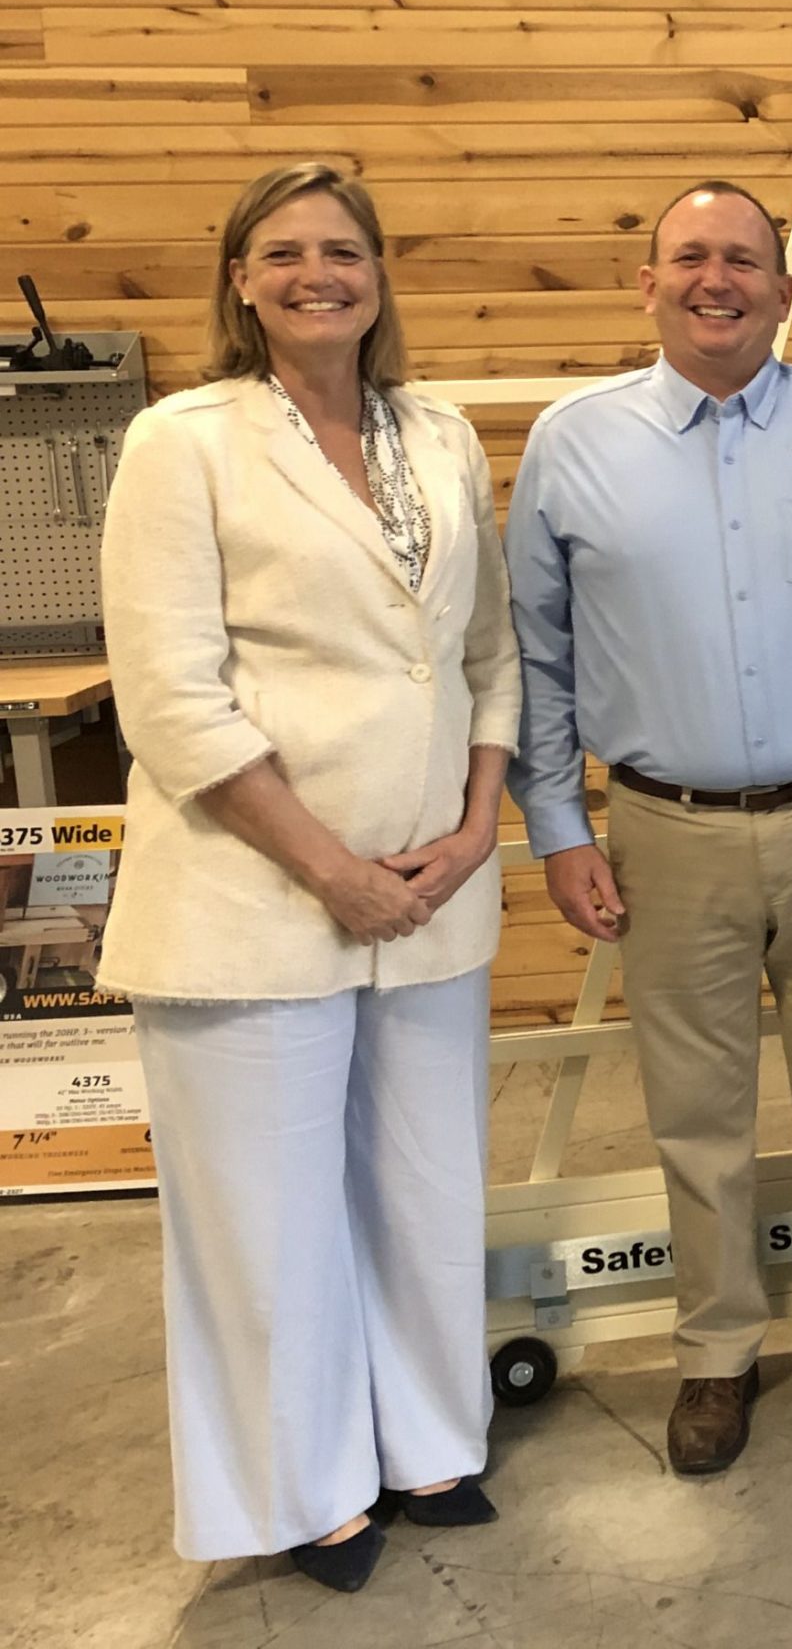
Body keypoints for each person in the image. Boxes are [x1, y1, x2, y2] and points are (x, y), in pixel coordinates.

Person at [99, 162, 521, 1592]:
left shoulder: (439, 435)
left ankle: (425, 1440)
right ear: (238, 279)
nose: (316, 273)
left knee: (419, 1181)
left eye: (343, 250)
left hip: (432, 884)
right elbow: (171, 699)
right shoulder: (183, 442)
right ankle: (307, 1485)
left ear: (380, 273)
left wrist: (474, 829)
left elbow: (486, 656)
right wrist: (334, 870)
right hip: (255, 896)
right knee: (266, 1213)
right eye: (282, 254)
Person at [506, 181, 792, 1476]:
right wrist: (558, 826)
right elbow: (536, 654)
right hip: (664, 828)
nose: (716, 279)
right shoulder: (571, 443)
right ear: (647, 285)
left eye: (743, 259)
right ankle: (716, 1355)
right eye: (689, 256)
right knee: (696, 1109)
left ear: (782, 289)